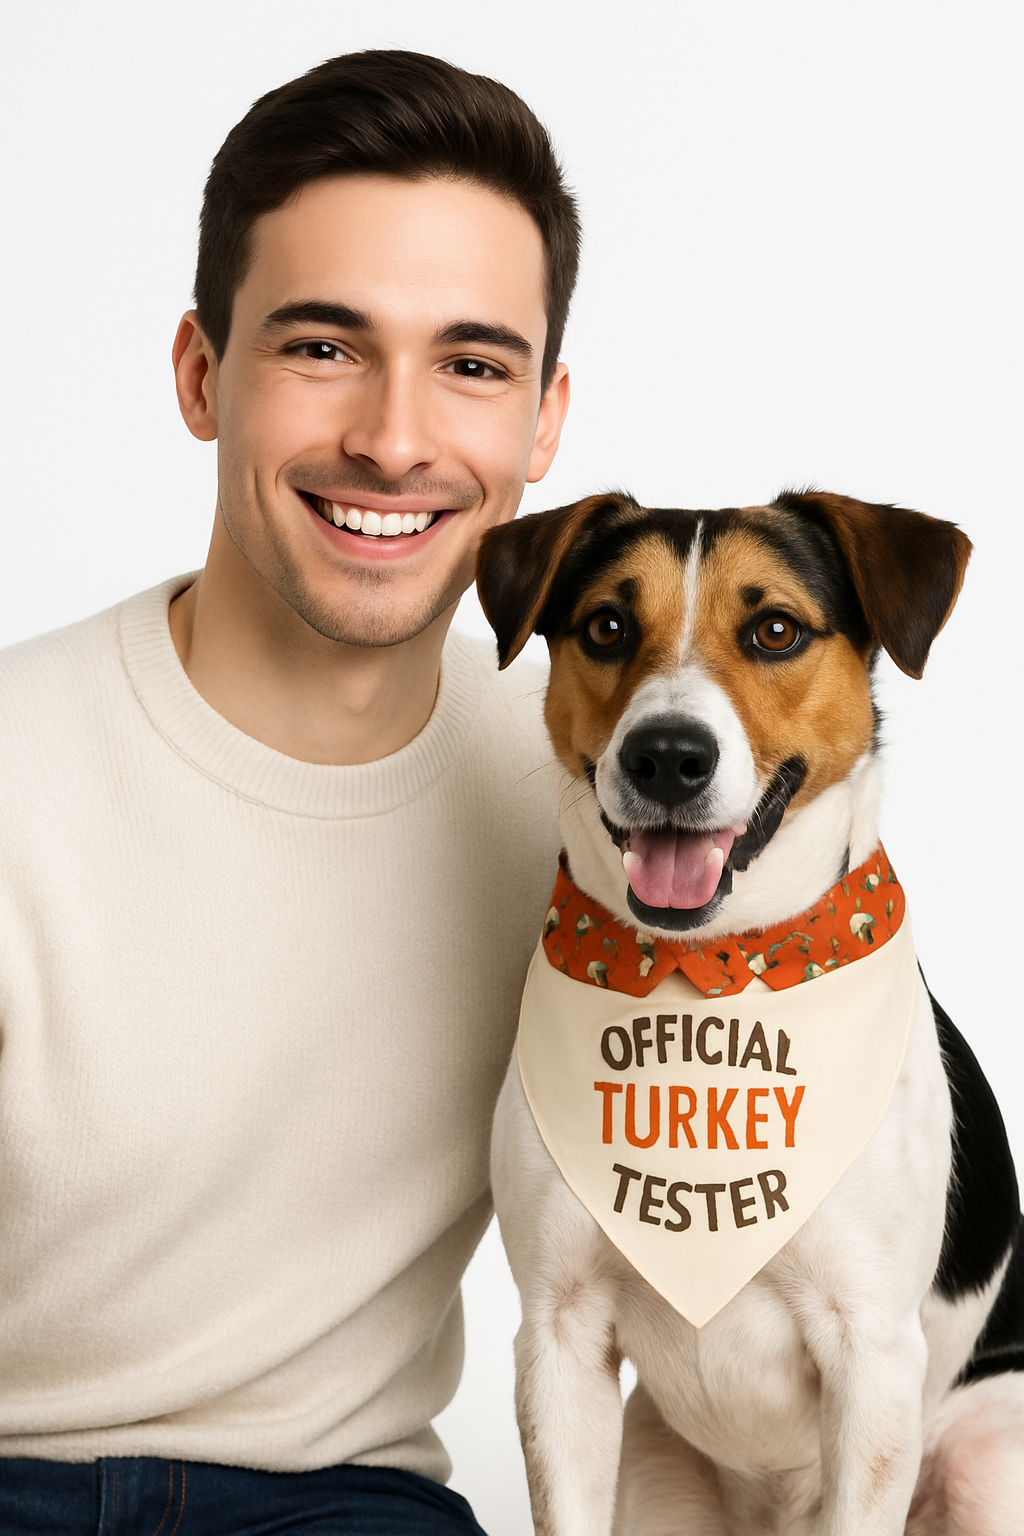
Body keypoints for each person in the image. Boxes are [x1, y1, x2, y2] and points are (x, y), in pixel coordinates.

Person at [0, 50, 577, 1534]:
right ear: (202, 374)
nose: (393, 437)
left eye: (470, 363)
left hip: (342, 1501)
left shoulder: (594, 787)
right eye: (324, 347)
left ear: (544, 420)